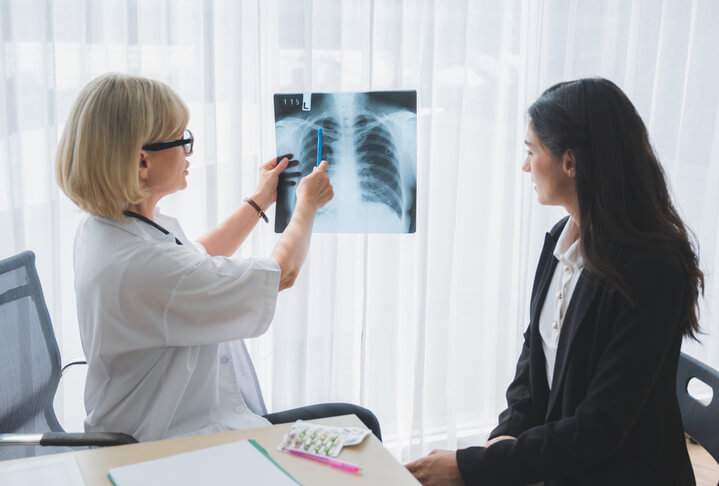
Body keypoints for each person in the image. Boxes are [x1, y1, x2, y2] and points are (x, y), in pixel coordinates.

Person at [406, 78, 703, 485]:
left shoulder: (653, 270)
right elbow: (534, 362)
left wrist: (475, 466)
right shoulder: (562, 239)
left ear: (570, 162)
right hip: (561, 466)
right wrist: (506, 437)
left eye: (531, 151)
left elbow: (600, 427)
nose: (525, 165)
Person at [55, 73, 381, 442]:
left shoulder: (105, 229)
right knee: (362, 428)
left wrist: (260, 201)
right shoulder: (144, 266)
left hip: (169, 427)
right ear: (142, 162)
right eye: (182, 140)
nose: (189, 153)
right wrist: (307, 205)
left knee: (357, 421)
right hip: (169, 448)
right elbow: (283, 273)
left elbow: (194, 259)